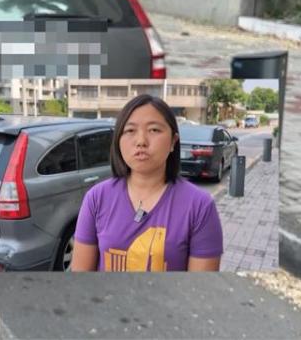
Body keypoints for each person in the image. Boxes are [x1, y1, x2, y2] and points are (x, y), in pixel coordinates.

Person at [70, 95, 223, 272]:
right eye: (130, 131)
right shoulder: (96, 198)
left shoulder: (199, 206)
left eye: (154, 130)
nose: (141, 141)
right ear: (118, 140)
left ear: (173, 141)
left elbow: (199, 292)